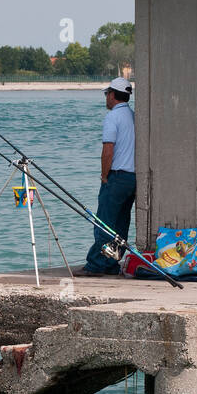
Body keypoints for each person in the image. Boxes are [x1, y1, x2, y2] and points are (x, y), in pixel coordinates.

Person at [77, 77, 136, 276]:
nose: (106, 98)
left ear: (112, 94)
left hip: (117, 177)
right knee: (120, 225)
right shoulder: (134, 116)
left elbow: (108, 149)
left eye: (106, 94)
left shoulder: (112, 118)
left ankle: (96, 265)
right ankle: (112, 264)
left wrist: (104, 175)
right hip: (132, 179)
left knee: (103, 223)